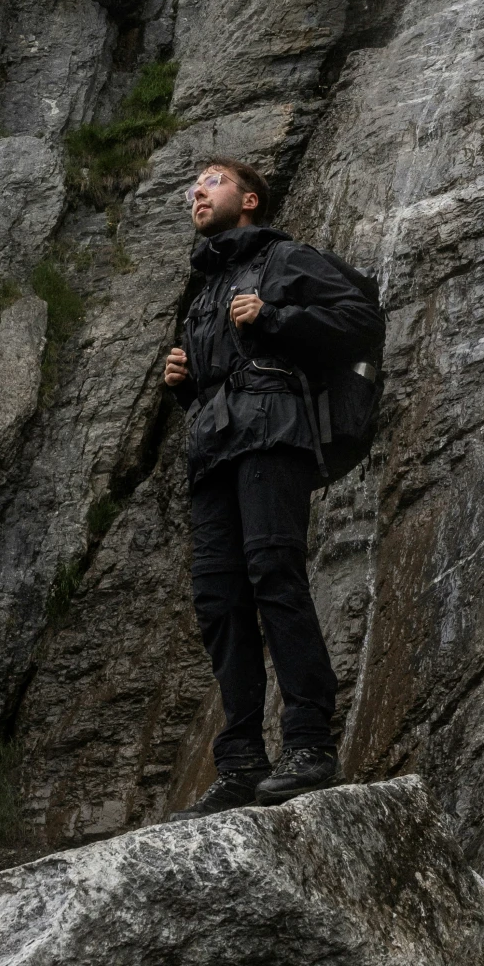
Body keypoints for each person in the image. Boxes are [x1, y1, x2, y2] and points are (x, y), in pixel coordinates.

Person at [163, 159, 377, 811]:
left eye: (212, 181)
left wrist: (275, 315)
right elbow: (218, 373)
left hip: (272, 431)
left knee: (273, 577)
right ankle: (240, 764)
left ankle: (308, 745)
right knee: (218, 602)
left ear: (248, 198)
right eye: (192, 186)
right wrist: (185, 383)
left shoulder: (285, 260)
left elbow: (360, 316)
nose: (196, 191)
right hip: (212, 448)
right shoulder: (202, 289)